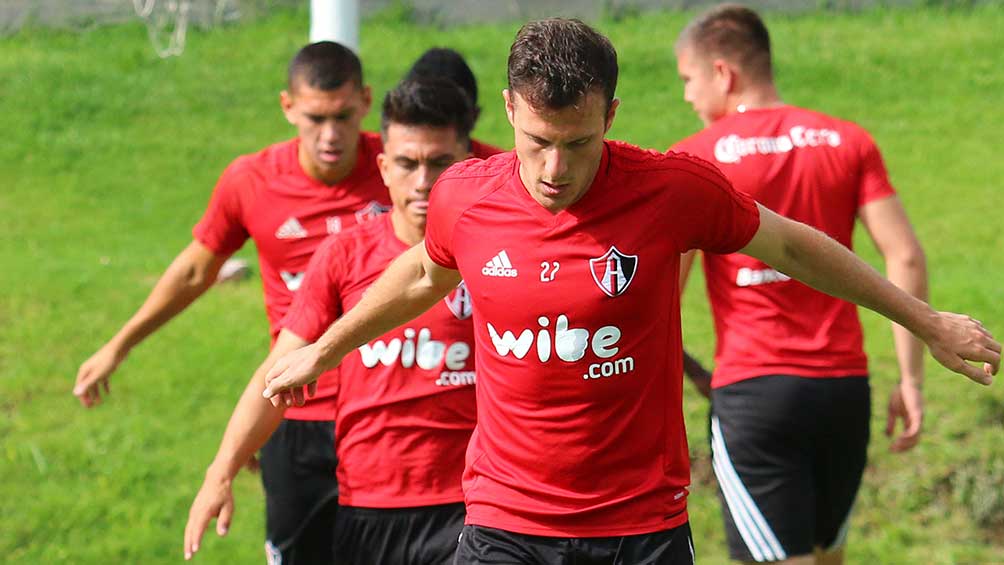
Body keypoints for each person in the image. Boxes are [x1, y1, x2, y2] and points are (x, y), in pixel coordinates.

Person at [260, 18, 999, 565]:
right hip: (504, 518)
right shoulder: (465, 197)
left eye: (577, 144)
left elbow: (793, 243)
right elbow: (424, 271)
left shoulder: (672, 189)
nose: (554, 168)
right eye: (539, 141)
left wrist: (924, 320)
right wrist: (323, 349)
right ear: (512, 112)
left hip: (639, 524)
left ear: (610, 118)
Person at [74, 41, 390, 564]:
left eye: (342, 116)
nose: (330, 134)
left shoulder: (405, 168)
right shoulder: (253, 180)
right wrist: (119, 345)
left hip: (388, 413)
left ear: (365, 101)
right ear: (288, 106)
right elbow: (198, 269)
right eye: (315, 117)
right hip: (294, 414)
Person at [669, 5, 933, 563]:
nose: (688, 98)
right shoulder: (847, 140)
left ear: (722, 73)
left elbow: (665, 291)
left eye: (688, 80)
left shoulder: (696, 160)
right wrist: (911, 379)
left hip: (756, 396)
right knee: (825, 556)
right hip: (844, 390)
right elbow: (904, 256)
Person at [183, 77, 478, 565]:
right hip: (367, 508)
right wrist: (222, 470)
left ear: (466, 166)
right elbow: (278, 369)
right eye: (407, 164)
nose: (424, 182)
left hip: (468, 507)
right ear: (383, 167)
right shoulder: (343, 254)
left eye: (440, 163)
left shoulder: (492, 254)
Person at [405, 47, 506, 159]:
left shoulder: (502, 171)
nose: (423, 176)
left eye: (440, 161)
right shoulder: (503, 169)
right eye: (407, 163)